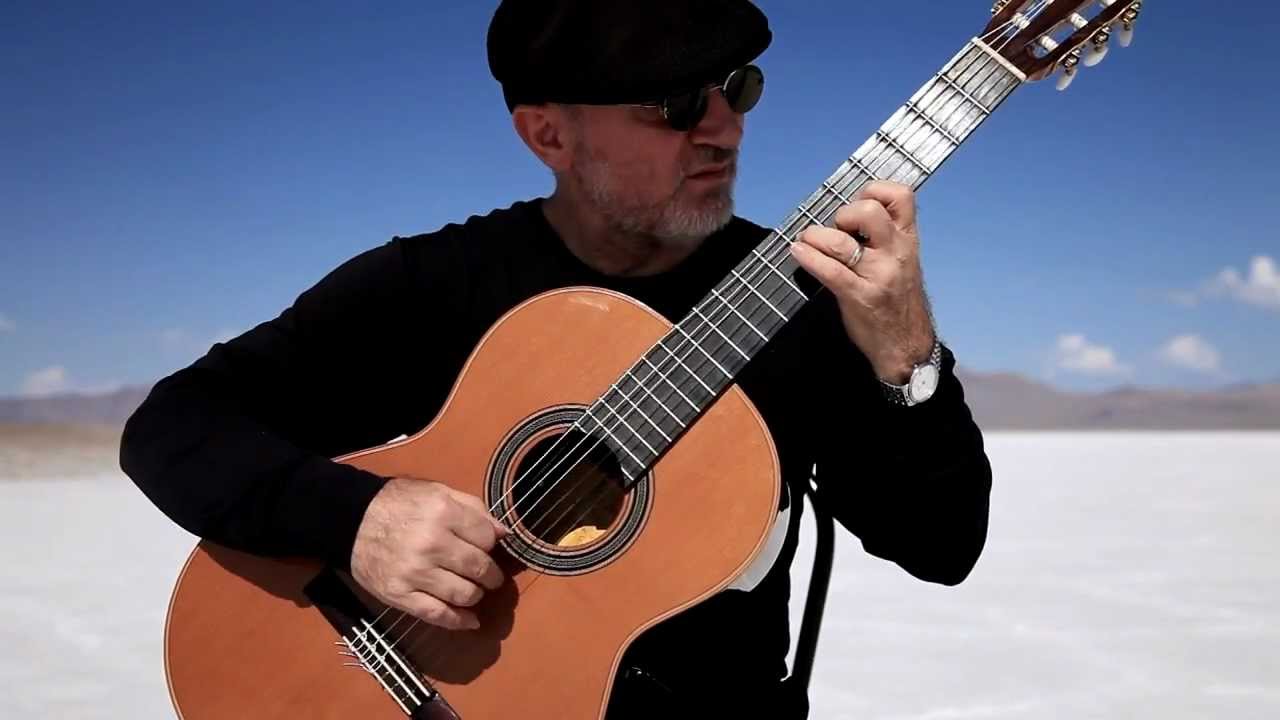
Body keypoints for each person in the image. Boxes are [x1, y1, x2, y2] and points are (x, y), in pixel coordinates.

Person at [120, 1, 992, 717]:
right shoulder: (435, 287)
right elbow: (175, 423)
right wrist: (355, 519)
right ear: (549, 136)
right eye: (675, 105)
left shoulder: (799, 301)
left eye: (738, 89)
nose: (724, 129)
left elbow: (942, 545)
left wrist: (907, 355)